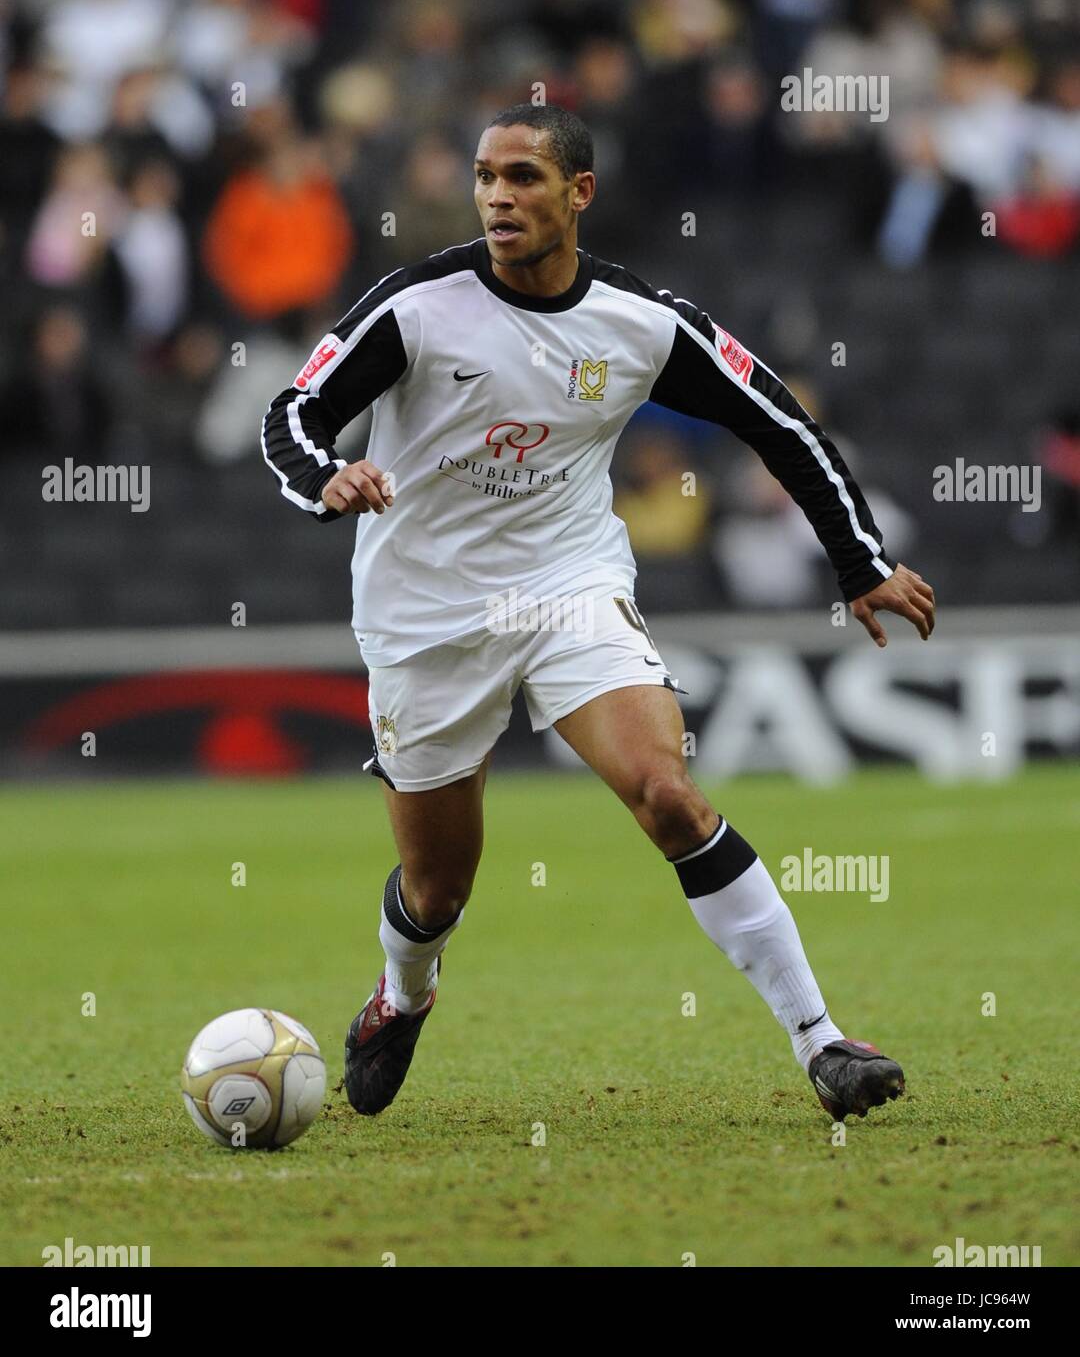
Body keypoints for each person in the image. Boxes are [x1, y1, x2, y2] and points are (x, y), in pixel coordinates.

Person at [261, 104, 936, 1124]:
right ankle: (404, 991)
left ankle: (821, 1038)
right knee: (437, 887)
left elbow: (780, 420)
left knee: (667, 793)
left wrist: (859, 561)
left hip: (568, 585)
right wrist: (329, 478)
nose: (498, 196)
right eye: (487, 175)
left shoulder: (641, 323)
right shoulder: (416, 306)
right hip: (424, 613)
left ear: (579, 193)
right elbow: (291, 414)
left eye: (525, 177)